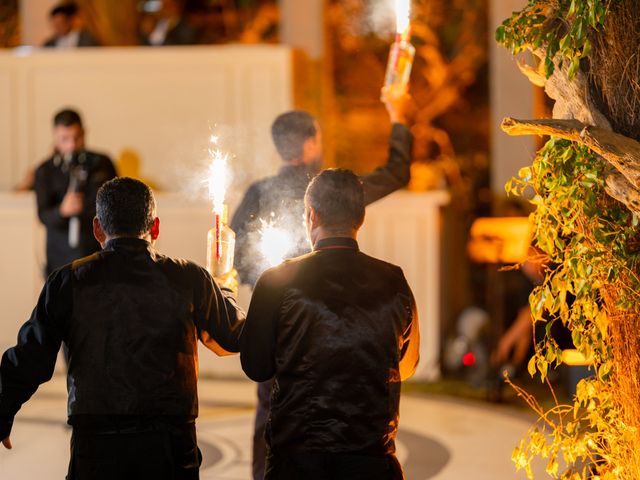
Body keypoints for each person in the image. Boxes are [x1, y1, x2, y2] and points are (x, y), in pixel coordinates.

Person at [0, 177, 245, 479]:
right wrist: (223, 288)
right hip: (169, 446)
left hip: (97, 448)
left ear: (97, 229)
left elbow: (30, 357)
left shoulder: (70, 281)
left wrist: (3, 409)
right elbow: (233, 337)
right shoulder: (190, 278)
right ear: (155, 227)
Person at [231, 87, 413, 479]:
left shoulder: (259, 195)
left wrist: (270, 283)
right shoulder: (343, 192)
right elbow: (397, 172)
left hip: (284, 331)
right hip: (365, 440)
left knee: (272, 411)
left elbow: (236, 258)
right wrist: (398, 115)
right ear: (312, 141)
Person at [34, 108, 117, 278]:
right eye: (65, 139)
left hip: (99, 254)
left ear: (84, 132)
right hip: (60, 260)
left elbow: (117, 204)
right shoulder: (45, 171)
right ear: (55, 137)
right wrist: (62, 211)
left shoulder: (103, 164)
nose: (71, 145)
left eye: (77, 137)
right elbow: (43, 215)